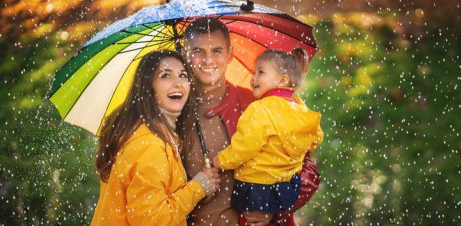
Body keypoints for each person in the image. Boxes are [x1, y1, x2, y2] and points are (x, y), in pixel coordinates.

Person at [180, 18, 321, 226]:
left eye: (217, 51)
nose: (208, 60)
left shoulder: (261, 104)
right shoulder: (173, 112)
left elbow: (308, 171)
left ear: (230, 54)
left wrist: (274, 208)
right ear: (185, 55)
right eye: (198, 51)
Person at [91, 50, 220, 226]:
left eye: (183, 76)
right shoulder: (149, 145)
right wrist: (197, 188)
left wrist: (200, 187)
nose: (178, 83)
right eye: (165, 75)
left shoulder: (153, 133)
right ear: (148, 86)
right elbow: (152, 221)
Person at [212, 48, 323, 225]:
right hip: (288, 186)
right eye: (254, 72)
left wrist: (221, 161)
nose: (253, 78)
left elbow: (244, 147)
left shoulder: (259, 109)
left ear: (282, 80)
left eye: (260, 72)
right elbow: (316, 138)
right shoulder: (300, 107)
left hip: (256, 187)